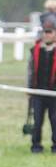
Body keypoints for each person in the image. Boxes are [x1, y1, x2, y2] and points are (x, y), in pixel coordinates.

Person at [28, 20, 56, 153]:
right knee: (37, 121)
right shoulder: (35, 50)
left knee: (55, 121)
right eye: (45, 32)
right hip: (38, 92)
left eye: (50, 32)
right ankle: (36, 146)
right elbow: (30, 70)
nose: (47, 34)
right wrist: (29, 88)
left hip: (54, 93)